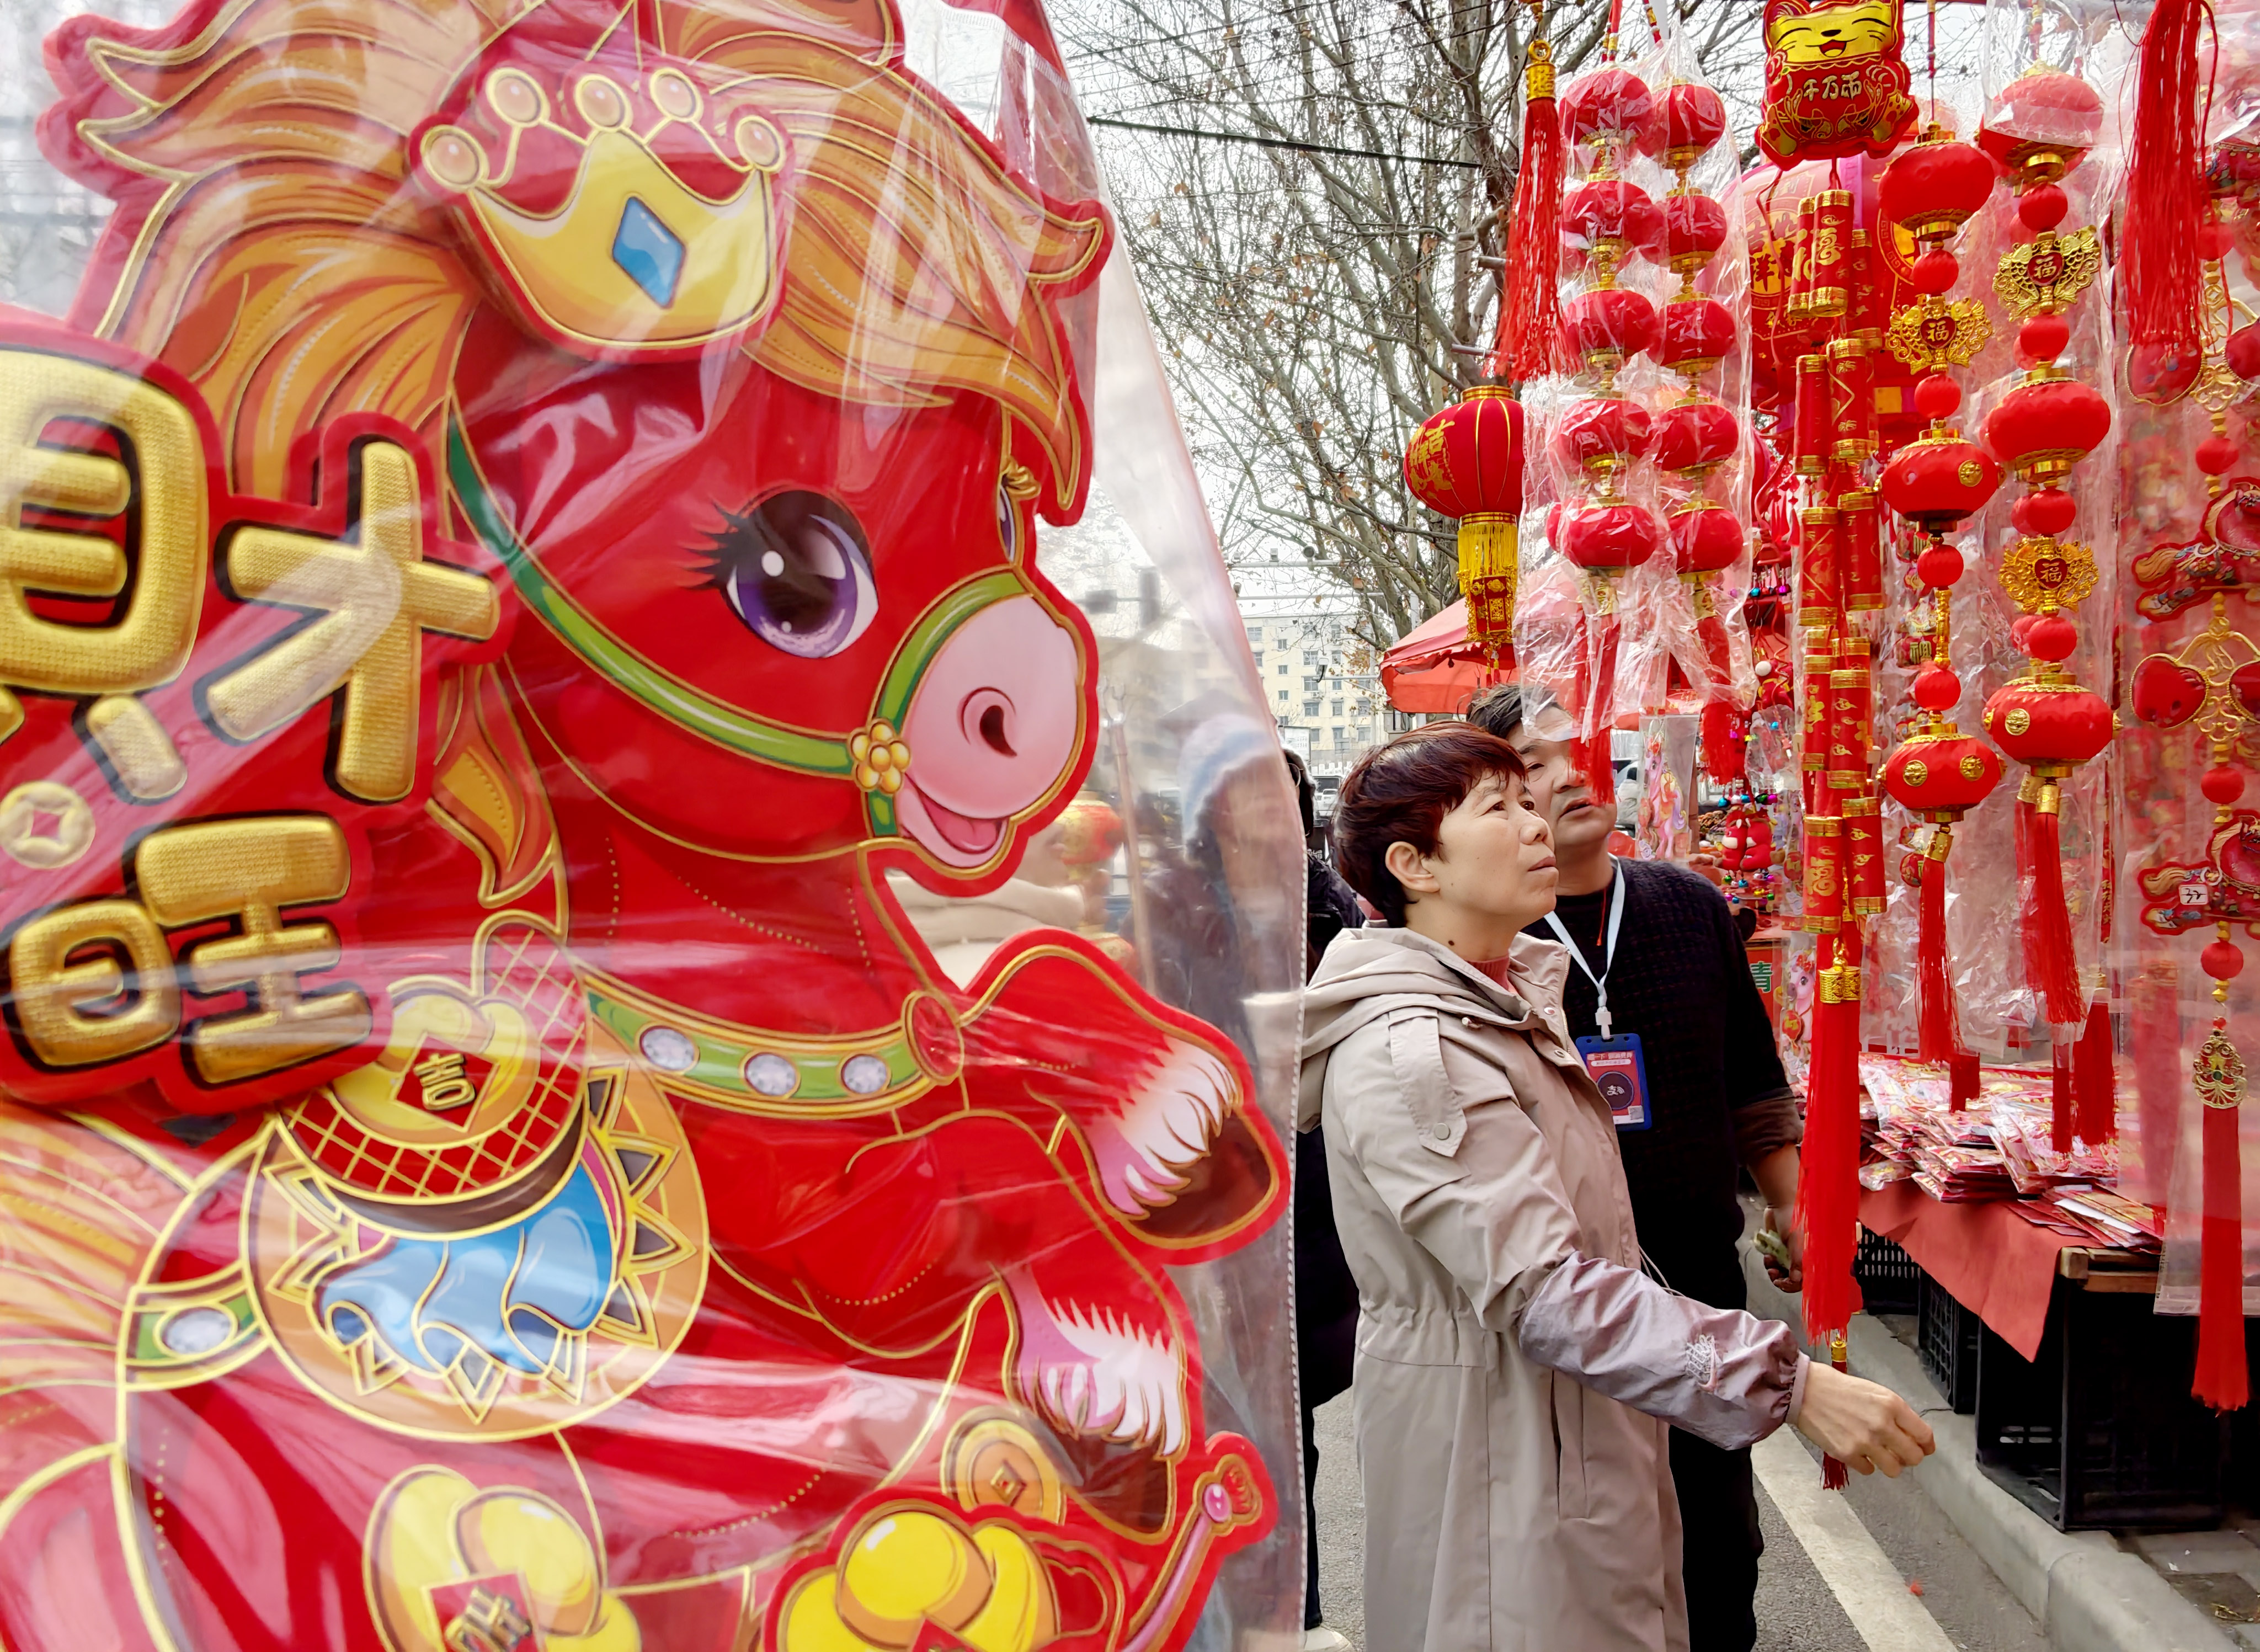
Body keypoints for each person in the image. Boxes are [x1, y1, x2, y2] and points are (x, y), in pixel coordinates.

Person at [1299, 723, 1930, 1652]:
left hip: (1578, 1415)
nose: (1536, 821)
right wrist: (1785, 1382)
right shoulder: (1418, 1052)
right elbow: (1545, 1289)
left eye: (1531, 796)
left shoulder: (1508, 1004)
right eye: (1500, 806)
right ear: (1414, 864)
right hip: (1502, 1440)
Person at [1469, 683, 1803, 1652]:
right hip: (1566, 1307)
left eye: (1582, 747)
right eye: (1534, 765)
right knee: (1585, 1564)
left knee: (1716, 1555)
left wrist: (1791, 1206)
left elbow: (1752, 1078)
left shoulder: (1691, 906)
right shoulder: (1488, 944)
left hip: (1698, 1282)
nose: (1573, 775)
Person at [1283, 747, 1360, 1652]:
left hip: (1295, 1198)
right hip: (1179, 1204)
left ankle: (1292, 1613)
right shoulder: (1144, 895)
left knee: (1282, 1424)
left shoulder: (1327, 904)